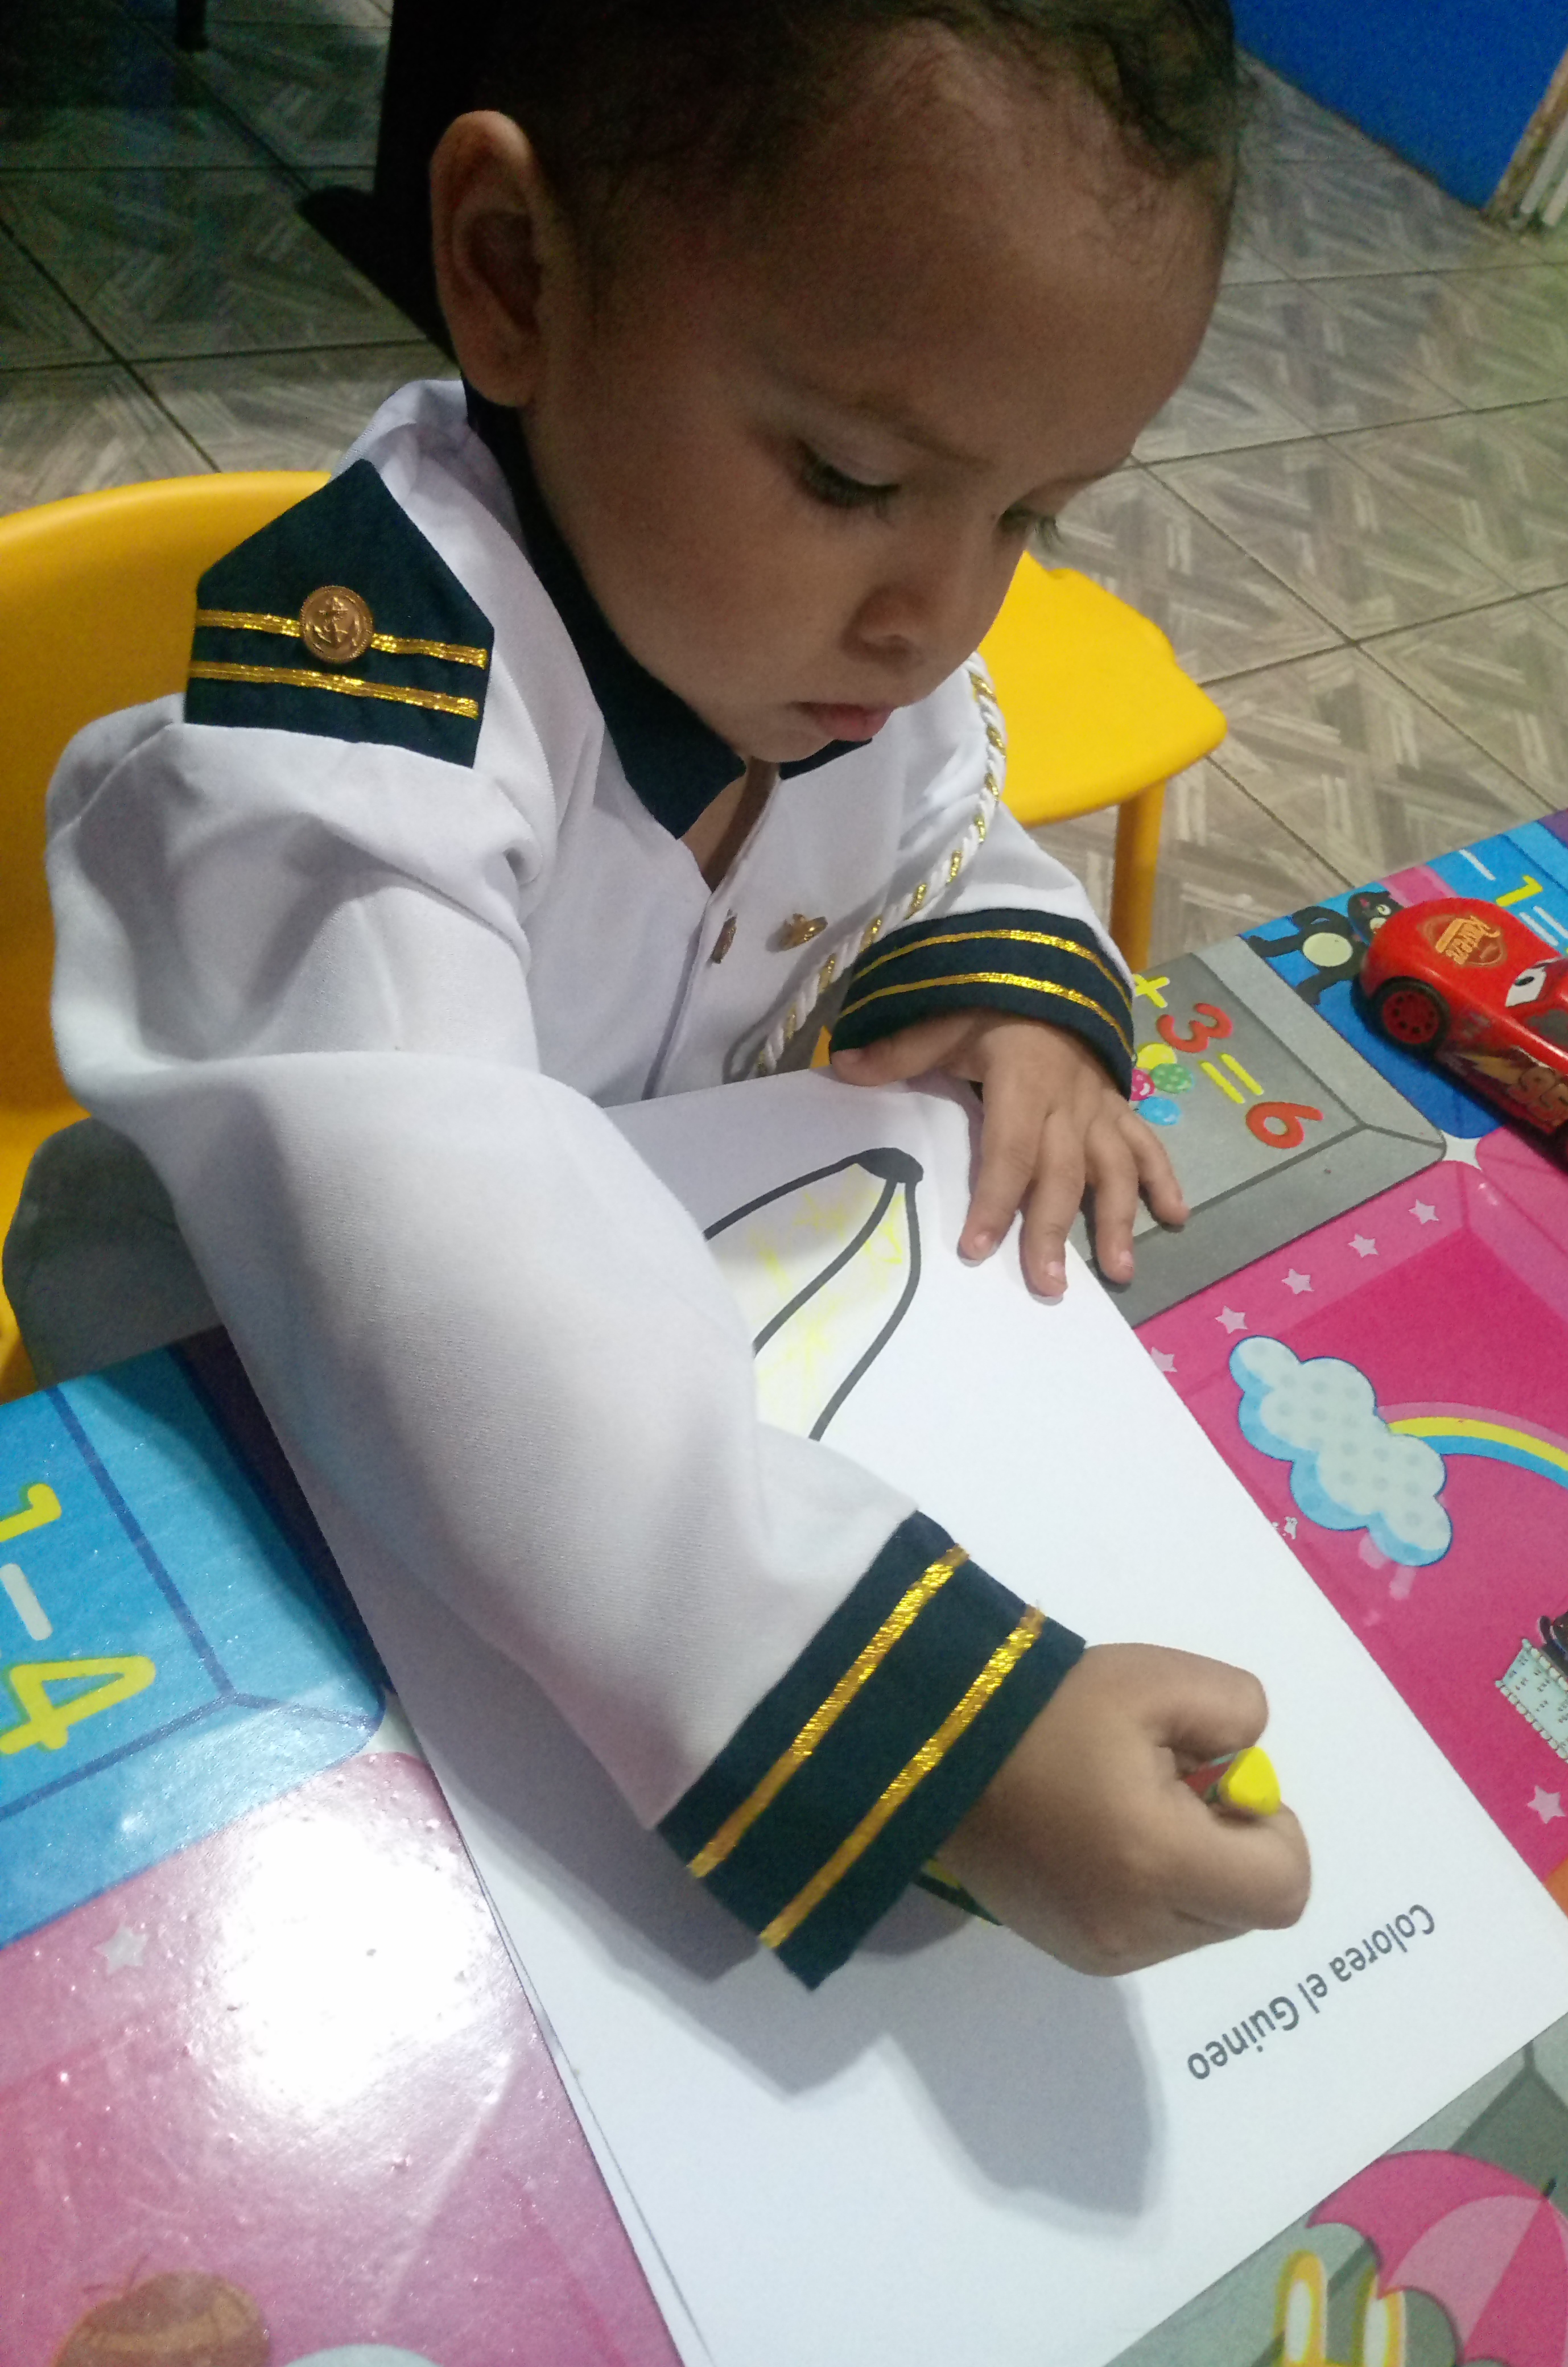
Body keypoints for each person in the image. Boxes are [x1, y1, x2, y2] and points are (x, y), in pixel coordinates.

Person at [12, 0, 1309, 1987]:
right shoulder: (347, 743)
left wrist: (1023, 992)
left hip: (623, 1385)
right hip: (233, 1418)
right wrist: (942, 1751)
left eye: (1031, 516)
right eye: (854, 475)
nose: (941, 613)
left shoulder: (802, 635)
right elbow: (445, 1273)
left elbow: (947, 824)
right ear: (513, 277)